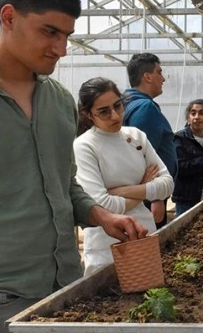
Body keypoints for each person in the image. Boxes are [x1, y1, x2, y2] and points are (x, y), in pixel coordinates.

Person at [0, 0, 147, 333]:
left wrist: (101, 216)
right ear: (9, 17)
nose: (61, 48)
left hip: (66, 289)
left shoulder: (58, 102)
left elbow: (64, 185)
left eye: (66, 35)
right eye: (49, 32)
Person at [74, 77, 174, 275]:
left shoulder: (136, 136)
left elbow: (167, 185)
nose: (115, 115)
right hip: (107, 246)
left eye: (118, 106)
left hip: (145, 235)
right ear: (88, 114)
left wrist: (125, 191)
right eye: (104, 111)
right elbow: (102, 206)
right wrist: (144, 188)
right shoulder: (85, 146)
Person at [122, 52, 176, 229]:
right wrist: (156, 197)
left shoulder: (126, 103)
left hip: (138, 194)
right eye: (159, 72)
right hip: (146, 198)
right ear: (147, 77)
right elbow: (141, 155)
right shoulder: (144, 107)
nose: (163, 79)